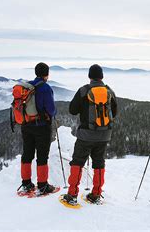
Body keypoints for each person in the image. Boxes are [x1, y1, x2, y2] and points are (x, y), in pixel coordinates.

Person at [61, 64, 118, 205]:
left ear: (90, 76)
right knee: (99, 163)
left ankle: (72, 194)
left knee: (77, 162)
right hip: (104, 135)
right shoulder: (109, 91)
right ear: (102, 76)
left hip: (85, 135)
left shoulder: (83, 90)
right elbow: (114, 112)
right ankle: (96, 194)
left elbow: (72, 110)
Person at [17, 62, 57, 196]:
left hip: (26, 125)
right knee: (42, 156)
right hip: (41, 127)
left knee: (27, 154)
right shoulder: (45, 88)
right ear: (46, 74)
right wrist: (52, 114)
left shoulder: (27, 87)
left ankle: (26, 183)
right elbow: (51, 110)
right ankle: (43, 185)